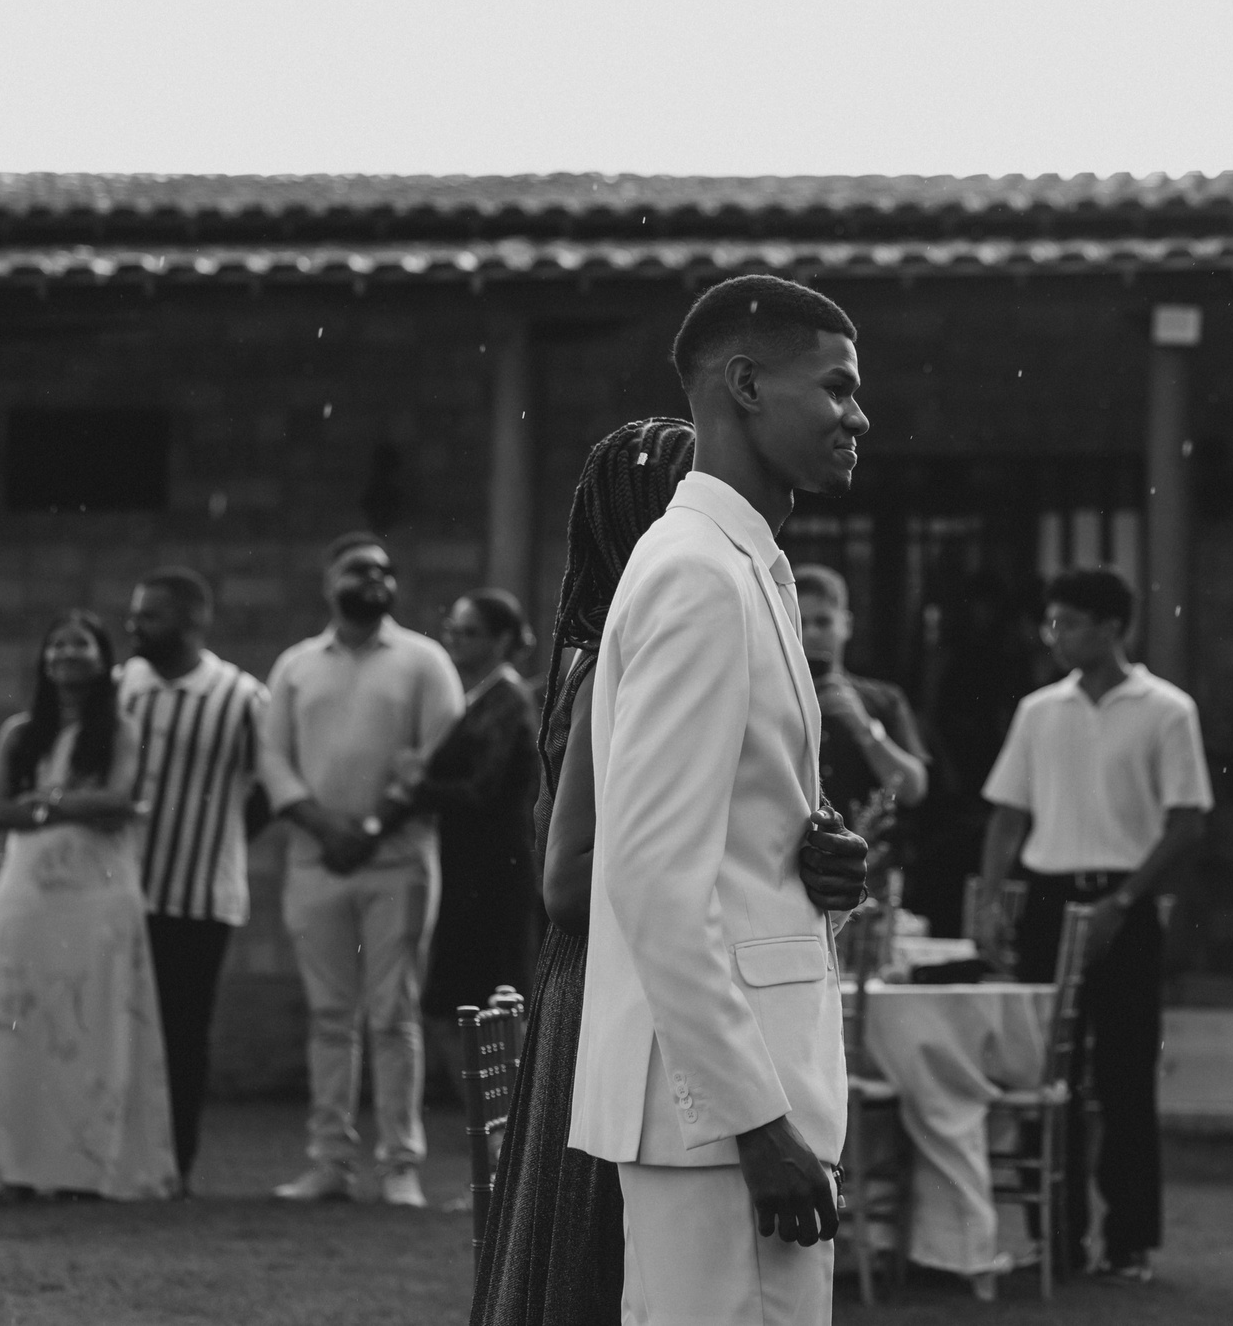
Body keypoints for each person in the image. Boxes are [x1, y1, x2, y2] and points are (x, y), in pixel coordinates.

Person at [570, 275, 873, 1326]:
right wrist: (755, 1123)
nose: (857, 416)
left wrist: (815, 859)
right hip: (718, 1119)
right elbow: (652, 876)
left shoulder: (749, 568)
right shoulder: (700, 574)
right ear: (745, 385)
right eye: (834, 389)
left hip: (720, 1106)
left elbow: (727, 839)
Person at [977, 565, 1213, 1284]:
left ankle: (1129, 1241)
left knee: (1124, 1073)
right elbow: (1009, 813)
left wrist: (1125, 899)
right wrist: (992, 901)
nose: (1056, 635)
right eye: (1052, 622)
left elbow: (1187, 819)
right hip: (1050, 897)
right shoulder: (1039, 709)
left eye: (1069, 622)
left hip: (1125, 896)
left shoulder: (1166, 708)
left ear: (1112, 627)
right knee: (1050, 1077)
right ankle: (1056, 1237)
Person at [0, 610, 177, 1200]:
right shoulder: (20, 734)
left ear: (103, 660)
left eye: (82, 645)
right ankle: (13, 1162)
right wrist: (72, 803)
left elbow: (119, 797)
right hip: (30, 895)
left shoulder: (119, 729)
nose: (68, 654)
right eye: (57, 645)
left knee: (90, 1021)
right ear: (44, 660)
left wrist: (43, 802)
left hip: (99, 893)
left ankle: (86, 1167)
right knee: (20, 1024)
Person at [258, 532, 464, 1208]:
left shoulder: (423, 660)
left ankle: (399, 1164)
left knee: (393, 1015)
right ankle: (330, 1161)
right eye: (358, 568)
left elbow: (438, 754)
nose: (374, 578)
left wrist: (374, 826)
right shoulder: (295, 665)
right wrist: (322, 825)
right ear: (329, 582)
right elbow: (274, 759)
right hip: (317, 860)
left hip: (398, 862)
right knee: (329, 1015)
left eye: (384, 568)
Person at [119, 566, 267, 1192]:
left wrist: (222, 837)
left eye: (149, 615)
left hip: (199, 896)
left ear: (190, 622)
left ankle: (174, 1165)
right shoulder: (120, 685)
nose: (134, 626)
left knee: (181, 1034)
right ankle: (115, 1157)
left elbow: (272, 786)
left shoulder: (241, 697)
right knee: (118, 1029)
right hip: (120, 892)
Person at [411, 589, 544, 1034]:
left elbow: (482, 789)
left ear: (502, 641)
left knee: (493, 1002)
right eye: (454, 631)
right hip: (468, 865)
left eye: (471, 633)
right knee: (459, 1005)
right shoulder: (477, 699)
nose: (457, 641)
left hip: (495, 869)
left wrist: (417, 786)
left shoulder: (506, 700)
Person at [794, 562, 929, 875]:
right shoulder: (769, 700)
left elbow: (913, 790)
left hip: (867, 870)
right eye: (801, 622)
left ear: (847, 625)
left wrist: (865, 729)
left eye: (823, 621)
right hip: (792, 869)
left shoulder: (882, 699)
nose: (812, 633)